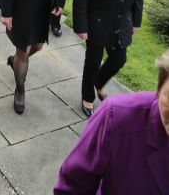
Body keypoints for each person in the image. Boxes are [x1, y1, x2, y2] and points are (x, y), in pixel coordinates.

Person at [54, 48, 169, 194]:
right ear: (159, 90)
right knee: (93, 59)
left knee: (119, 58)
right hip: (99, 29)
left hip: (118, 30)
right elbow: (73, 185)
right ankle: (89, 95)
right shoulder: (117, 117)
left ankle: (98, 83)